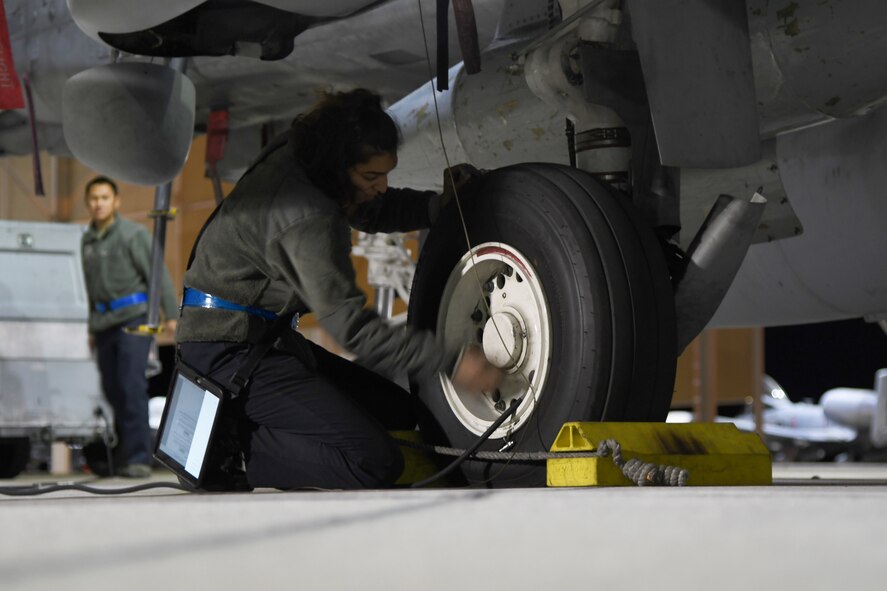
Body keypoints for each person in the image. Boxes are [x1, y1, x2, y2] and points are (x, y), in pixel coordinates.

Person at [176, 88, 503, 491]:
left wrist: (435, 207)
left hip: (263, 340)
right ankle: (235, 449)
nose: (382, 186)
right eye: (371, 176)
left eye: (386, 174)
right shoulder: (306, 216)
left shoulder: (307, 154)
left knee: (398, 412)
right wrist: (451, 360)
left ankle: (256, 424)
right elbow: (352, 329)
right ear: (339, 165)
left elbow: (367, 206)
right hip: (227, 353)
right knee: (374, 462)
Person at [81, 176, 179, 478]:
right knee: (112, 390)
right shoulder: (88, 241)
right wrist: (91, 328)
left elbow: (156, 274)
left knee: (131, 385)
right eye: (94, 198)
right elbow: (90, 288)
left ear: (116, 201)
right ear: (89, 203)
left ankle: (138, 457)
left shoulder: (132, 235)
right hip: (103, 324)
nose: (99, 203)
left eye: (104, 198)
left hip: (133, 320)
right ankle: (126, 453)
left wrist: (171, 313)